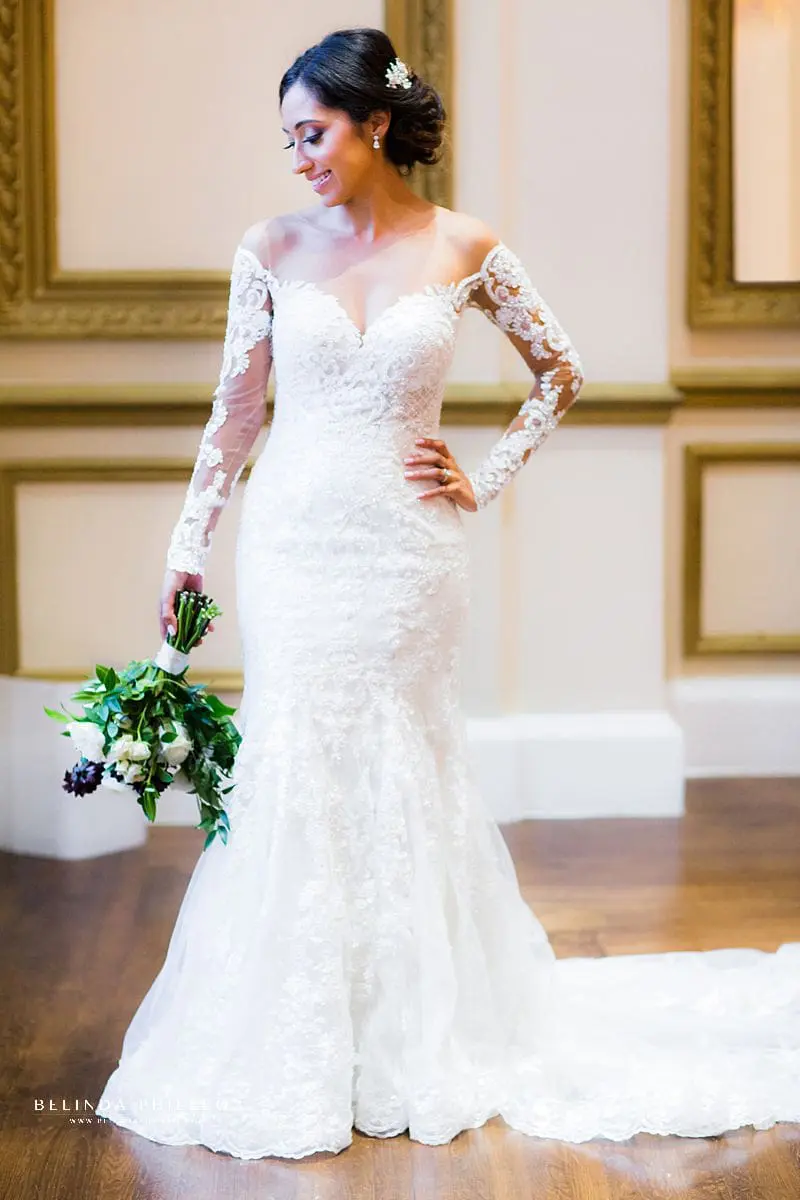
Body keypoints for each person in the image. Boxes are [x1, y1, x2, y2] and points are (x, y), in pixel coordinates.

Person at [96, 27, 800, 1161]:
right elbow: (236, 413)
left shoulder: (464, 245)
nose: (297, 157)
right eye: (287, 140)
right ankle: (293, 1029)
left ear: (374, 124)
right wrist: (189, 547)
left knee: (400, 756)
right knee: (294, 753)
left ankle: (417, 1027)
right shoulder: (269, 248)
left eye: (312, 133)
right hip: (293, 546)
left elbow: (561, 370)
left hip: (407, 554)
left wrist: (486, 473)